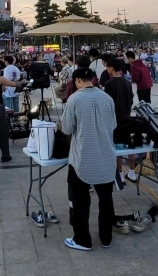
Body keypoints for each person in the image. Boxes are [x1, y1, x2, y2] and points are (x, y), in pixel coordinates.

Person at [61, 68, 116, 251]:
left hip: (82, 158)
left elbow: (67, 129)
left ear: (77, 80)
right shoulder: (107, 98)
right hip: (106, 156)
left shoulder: (74, 99)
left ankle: (82, 240)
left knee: (80, 201)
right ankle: (106, 238)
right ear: (92, 79)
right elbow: (113, 125)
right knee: (106, 199)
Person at [103, 58, 136, 186]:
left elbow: (108, 103)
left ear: (111, 68)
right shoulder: (127, 82)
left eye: (107, 67)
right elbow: (131, 99)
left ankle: (120, 174)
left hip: (115, 119)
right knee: (129, 144)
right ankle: (132, 172)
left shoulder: (109, 84)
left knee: (117, 147)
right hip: (127, 116)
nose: (107, 69)